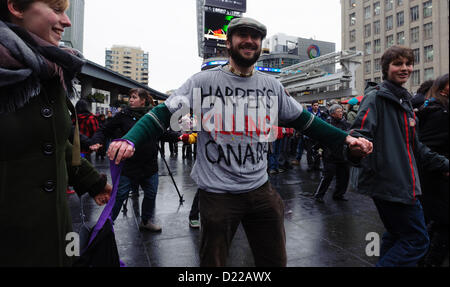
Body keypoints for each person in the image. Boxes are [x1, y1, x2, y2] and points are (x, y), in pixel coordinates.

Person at [107, 17, 372, 267]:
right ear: (228, 43)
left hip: (260, 189)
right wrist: (130, 139)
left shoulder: (272, 86)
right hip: (217, 193)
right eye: (242, 35)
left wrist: (345, 139)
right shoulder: (203, 81)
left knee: (274, 260)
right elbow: (163, 113)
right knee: (214, 263)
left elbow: (306, 122)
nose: (250, 41)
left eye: (255, 37)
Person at [0, 0, 111, 266]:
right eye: (56, 9)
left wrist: (94, 182)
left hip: (56, 238)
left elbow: (57, 143)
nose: (67, 20)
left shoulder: (51, 70)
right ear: (16, 7)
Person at [348, 46, 449, 267]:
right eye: (397, 64)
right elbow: (359, 133)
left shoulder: (404, 102)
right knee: (417, 240)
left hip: (405, 182)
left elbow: (416, 147)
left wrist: (443, 164)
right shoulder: (375, 98)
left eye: (408, 64)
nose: (404, 68)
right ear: (386, 68)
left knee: (396, 235)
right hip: (391, 184)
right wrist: (358, 146)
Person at [90, 88, 167, 232]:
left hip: (149, 165)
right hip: (128, 166)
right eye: (130, 97)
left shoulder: (152, 115)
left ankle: (145, 221)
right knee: (119, 196)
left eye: (134, 97)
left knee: (151, 193)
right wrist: (97, 140)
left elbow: (164, 132)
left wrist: (182, 137)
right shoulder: (123, 115)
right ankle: (105, 226)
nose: (130, 100)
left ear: (143, 100)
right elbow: (104, 130)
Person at [416, 73, 449, 267]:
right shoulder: (439, 112)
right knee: (442, 224)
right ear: (443, 87)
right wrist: (444, 165)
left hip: (436, 178)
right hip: (437, 179)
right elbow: (425, 146)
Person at [314, 104, 351, 203]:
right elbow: (320, 138)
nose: (341, 113)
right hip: (329, 154)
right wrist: (319, 150)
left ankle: (339, 194)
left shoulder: (345, 123)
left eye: (342, 111)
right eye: (339, 111)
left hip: (342, 154)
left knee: (344, 176)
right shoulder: (327, 123)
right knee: (328, 176)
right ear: (333, 113)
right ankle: (319, 195)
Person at [304, 100, 323, 171]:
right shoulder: (308, 113)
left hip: (317, 136)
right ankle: (310, 165)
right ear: (312, 106)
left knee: (318, 151)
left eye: (317, 105)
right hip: (309, 135)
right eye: (314, 105)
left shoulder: (320, 114)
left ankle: (317, 165)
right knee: (309, 151)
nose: (316, 106)